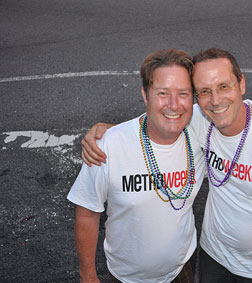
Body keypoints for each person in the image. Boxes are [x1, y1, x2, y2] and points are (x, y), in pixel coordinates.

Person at [82, 48, 252, 283]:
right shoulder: (199, 120)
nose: (215, 100)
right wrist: (112, 132)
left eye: (224, 86)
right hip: (212, 254)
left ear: (241, 84)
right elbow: (160, 117)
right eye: (204, 91)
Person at [68, 49, 206, 283]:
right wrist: (88, 276)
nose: (174, 105)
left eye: (183, 94)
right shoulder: (108, 146)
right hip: (125, 277)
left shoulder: (201, 131)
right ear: (145, 95)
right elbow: (87, 213)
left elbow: (235, 115)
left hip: (182, 268)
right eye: (162, 93)